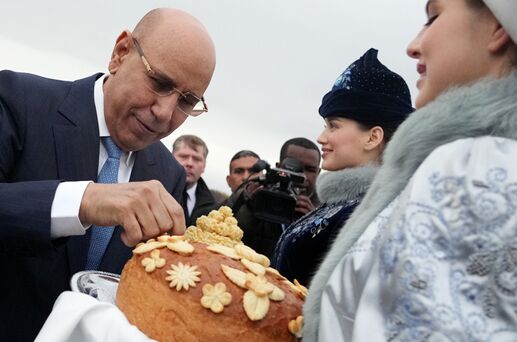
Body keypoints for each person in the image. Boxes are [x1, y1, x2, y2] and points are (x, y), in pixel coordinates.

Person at [303, 1, 517, 341]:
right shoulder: (509, 165)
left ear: (500, 27)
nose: (413, 45)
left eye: (434, 17)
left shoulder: (475, 168)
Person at [0, 8, 215, 341]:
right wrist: (82, 201)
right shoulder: (18, 99)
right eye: (159, 82)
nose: (165, 113)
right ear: (120, 53)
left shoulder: (169, 175)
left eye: (187, 101)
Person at [272, 48, 413, 287]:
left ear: (372, 137)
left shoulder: (373, 215)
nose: (321, 137)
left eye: (333, 126)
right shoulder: (343, 204)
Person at [228, 138, 321, 258]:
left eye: (310, 170)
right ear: (279, 166)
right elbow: (219, 231)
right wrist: (249, 204)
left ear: (318, 172)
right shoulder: (254, 192)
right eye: (294, 167)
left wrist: (313, 225)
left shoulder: (327, 210)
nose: (302, 175)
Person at [172, 134, 218, 225]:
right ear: (171, 157)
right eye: (184, 156)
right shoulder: (151, 190)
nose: (190, 163)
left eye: (197, 159)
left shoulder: (214, 208)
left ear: (204, 166)